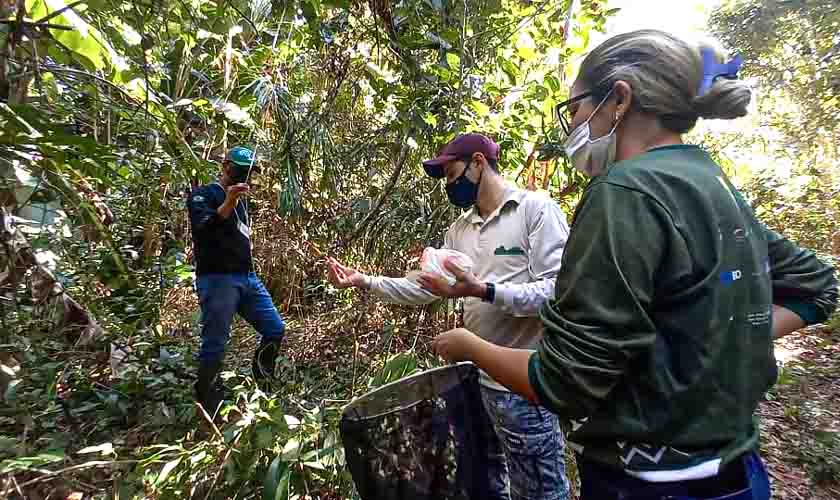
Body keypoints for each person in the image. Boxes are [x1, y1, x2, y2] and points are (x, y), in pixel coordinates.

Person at [432, 30, 839, 500]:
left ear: (619, 99)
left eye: (575, 109)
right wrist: (715, 340)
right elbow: (817, 286)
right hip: (738, 471)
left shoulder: (623, 192)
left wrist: (470, 346)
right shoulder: (711, 182)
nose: (572, 127)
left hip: (649, 482)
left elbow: (567, 381)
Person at [327, 133, 571, 500]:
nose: (449, 185)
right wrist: (365, 281)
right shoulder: (459, 230)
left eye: (452, 173)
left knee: (541, 491)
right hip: (476, 382)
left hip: (525, 385)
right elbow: (427, 287)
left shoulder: (533, 210)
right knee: (491, 482)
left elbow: (557, 293)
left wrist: (485, 290)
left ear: (478, 163)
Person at [188, 146, 286, 418]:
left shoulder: (243, 204)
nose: (245, 177)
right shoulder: (203, 195)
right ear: (226, 166)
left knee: (275, 328)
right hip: (217, 279)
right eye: (241, 170)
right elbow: (204, 228)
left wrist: (235, 201)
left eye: (249, 172)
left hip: (247, 278)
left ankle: (263, 380)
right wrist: (228, 201)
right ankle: (208, 402)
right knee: (216, 341)